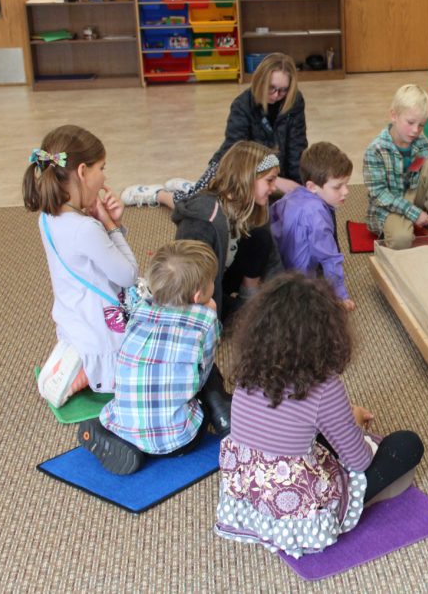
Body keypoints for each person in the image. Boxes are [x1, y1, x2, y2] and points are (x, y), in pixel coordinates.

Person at [214, 273, 425, 558]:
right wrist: (353, 423)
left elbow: (282, 426)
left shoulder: (248, 372)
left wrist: (344, 418)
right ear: (328, 334)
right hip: (299, 515)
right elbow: (359, 461)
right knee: (406, 444)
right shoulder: (324, 387)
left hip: (248, 498)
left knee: (311, 438)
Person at [77, 240, 232, 475]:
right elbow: (200, 376)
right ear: (198, 294)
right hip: (179, 441)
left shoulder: (139, 310)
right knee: (207, 372)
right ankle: (224, 417)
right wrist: (209, 312)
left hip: (124, 424)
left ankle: (125, 441)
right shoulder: (205, 321)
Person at [23, 125, 137, 405]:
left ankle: (76, 360)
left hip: (73, 320)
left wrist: (106, 225)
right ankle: (87, 371)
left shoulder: (48, 218)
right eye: (102, 168)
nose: (105, 176)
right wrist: (111, 224)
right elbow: (128, 274)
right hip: (103, 330)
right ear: (83, 172)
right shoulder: (86, 228)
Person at [122, 53, 307, 208]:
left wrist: (300, 184)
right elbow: (235, 154)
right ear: (260, 82)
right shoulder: (242, 105)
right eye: (272, 88)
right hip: (236, 167)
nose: (276, 96)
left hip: (270, 173)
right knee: (197, 206)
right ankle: (159, 194)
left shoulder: (294, 102)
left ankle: (188, 185)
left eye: (283, 91)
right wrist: (276, 180)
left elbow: (297, 146)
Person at [172, 141, 279, 319]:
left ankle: (249, 298)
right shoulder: (202, 222)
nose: (274, 188)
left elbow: (273, 259)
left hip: (223, 274)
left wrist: (282, 295)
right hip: (201, 293)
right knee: (263, 318)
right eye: (269, 181)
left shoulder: (252, 205)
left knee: (261, 236)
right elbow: (191, 284)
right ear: (246, 178)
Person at [363, 84, 428, 249]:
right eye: (410, 122)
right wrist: (413, 212)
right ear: (394, 116)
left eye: (421, 125)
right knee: (401, 240)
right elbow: (380, 195)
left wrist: (417, 208)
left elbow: (422, 174)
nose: (415, 130)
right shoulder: (375, 150)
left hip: (411, 193)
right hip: (387, 206)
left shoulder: (420, 143)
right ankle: (412, 222)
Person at [270, 142, 355, 311]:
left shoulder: (294, 194)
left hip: (277, 272)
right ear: (312, 186)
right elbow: (330, 259)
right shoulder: (318, 217)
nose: (346, 191)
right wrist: (340, 296)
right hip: (300, 283)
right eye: (338, 187)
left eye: (346, 184)